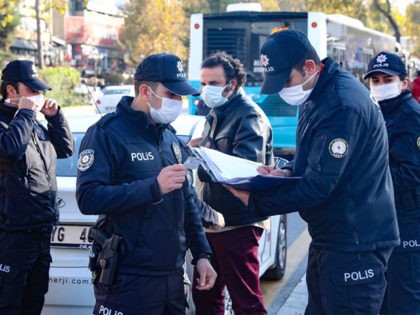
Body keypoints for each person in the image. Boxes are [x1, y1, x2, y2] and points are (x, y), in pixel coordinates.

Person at [225, 30, 400, 315]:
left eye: (286, 81)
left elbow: (319, 186)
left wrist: (253, 203)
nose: (283, 90)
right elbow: (318, 161)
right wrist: (287, 172)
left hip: (354, 244)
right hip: (332, 238)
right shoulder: (317, 92)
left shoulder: (340, 105)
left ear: (308, 67)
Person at [76, 53, 217, 315]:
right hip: (128, 281)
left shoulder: (170, 138)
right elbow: (88, 197)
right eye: (171, 94)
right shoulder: (107, 133)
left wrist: (202, 255)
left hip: (172, 280)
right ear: (145, 91)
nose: (178, 102)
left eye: (180, 96)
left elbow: (187, 201)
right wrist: (154, 187)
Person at [190, 51, 273, 315]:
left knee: (245, 299)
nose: (206, 90)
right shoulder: (215, 113)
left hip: (238, 222)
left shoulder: (249, 116)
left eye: (213, 84)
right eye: (203, 84)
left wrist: (207, 151)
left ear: (232, 84)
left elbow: (244, 170)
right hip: (211, 220)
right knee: (205, 294)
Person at [0, 60, 74, 314]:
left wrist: (56, 118)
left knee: (34, 302)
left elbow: (65, 149)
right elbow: (10, 149)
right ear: (11, 91)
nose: (38, 96)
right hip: (12, 236)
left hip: (41, 231)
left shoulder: (33, 122)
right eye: (31, 91)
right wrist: (26, 112)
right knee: (9, 305)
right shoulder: (12, 122)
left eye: (38, 91)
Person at [364, 51, 420, 315]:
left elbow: (411, 173)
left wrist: (368, 183)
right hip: (384, 221)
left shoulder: (411, 116)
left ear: (404, 82)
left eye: (387, 79)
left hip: (407, 220)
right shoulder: (378, 113)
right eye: (375, 80)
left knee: (404, 299)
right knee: (384, 298)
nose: (380, 85)